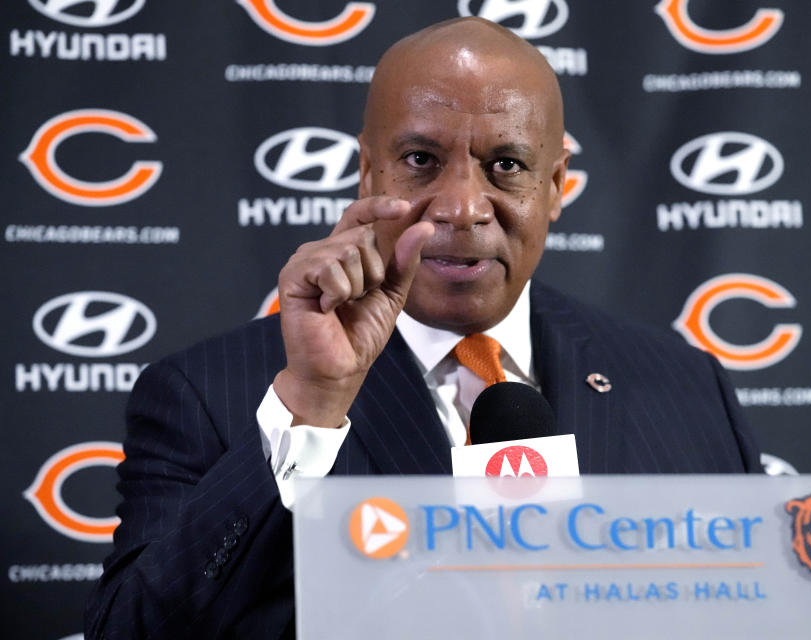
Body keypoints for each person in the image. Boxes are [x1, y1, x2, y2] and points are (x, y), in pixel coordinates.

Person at [85, 17, 760, 640]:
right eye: (420, 161)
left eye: (507, 165)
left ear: (555, 186)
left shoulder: (685, 385)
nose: (462, 208)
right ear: (367, 172)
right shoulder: (207, 394)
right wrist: (312, 407)